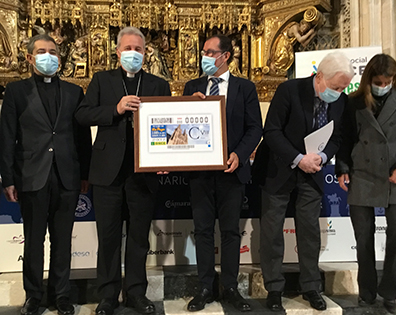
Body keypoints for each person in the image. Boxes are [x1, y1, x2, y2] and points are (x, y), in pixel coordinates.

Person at [75, 27, 171, 315]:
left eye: (139, 49)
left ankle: (136, 293)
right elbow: (83, 114)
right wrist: (115, 109)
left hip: (144, 174)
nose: (133, 54)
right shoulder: (102, 80)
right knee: (108, 237)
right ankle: (107, 295)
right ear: (117, 52)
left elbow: (168, 125)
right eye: (128, 48)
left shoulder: (157, 84)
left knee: (139, 238)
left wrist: (166, 158)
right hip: (107, 172)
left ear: (145, 53)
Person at [253, 51, 354, 313]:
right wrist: (299, 159)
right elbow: (271, 131)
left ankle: (311, 286)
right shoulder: (289, 90)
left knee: (309, 233)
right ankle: (274, 288)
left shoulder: (341, 101)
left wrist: (321, 156)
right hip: (279, 169)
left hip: (314, 171)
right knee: (272, 231)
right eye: (336, 87)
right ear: (319, 77)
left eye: (344, 88)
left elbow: (337, 138)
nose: (340, 92)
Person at [0, 34, 91, 315]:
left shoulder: (75, 92)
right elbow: (7, 138)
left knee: (63, 241)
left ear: (60, 58)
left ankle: (61, 295)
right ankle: (33, 296)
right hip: (32, 176)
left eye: (52, 52)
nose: (48, 56)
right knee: (34, 240)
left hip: (67, 177)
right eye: (41, 51)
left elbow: (82, 137)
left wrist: (84, 174)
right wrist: (9, 179)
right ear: (29, 58)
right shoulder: (15, 91)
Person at [335, 54, 396, 315]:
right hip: (362, 174)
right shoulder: (354, 102)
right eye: (378, 81)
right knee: (363, 238)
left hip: (395, 176)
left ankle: (389, 293)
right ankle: (367, 292)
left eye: (388, 80)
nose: (383, 84)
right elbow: (345, 139)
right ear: (369, 79)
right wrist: (343, 168)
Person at [183, 34, 263, 312]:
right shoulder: (192, 86)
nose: (204, 56)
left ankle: (229, 287)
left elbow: (255, 128)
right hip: (200, 173)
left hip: (231, 171)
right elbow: (179, 129)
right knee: (203, 231)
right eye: (203, 52)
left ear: (225, 55)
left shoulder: (245, 88)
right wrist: (189, 105)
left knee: (230, 232)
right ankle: (206, 286)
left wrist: (239, 155)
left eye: (209, 52)